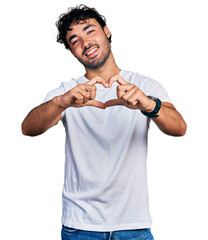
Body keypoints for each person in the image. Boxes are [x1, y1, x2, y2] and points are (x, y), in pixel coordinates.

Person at [22, 5, 187, 240]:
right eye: (74, 40)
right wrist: (62, 102)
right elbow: (28, 128)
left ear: (107, 31)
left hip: (134, 224)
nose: (85, 42)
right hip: (80, 225)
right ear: (72, 51)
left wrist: (148, 104)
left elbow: (180, 128)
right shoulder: (69, 91)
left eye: (90, 31)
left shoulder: (144, 85)